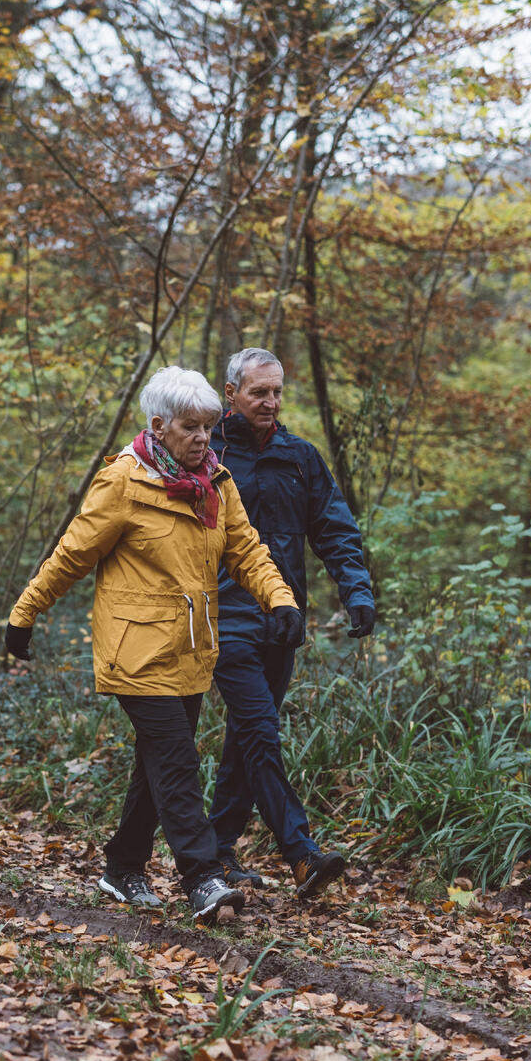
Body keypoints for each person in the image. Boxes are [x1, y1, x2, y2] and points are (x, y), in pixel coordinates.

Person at [4, 366, 303, 922]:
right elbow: (73, 554)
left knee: (156, 762)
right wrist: (25, 615)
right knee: (177, 760)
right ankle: (203, 878)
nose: (203, 439)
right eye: (191, 428)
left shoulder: (216, 482)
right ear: (159, 425)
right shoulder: (123, 481)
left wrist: (280, 601)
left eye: (209, 428)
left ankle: (122, 867)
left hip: (191, 649)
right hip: (134, 650)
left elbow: (248, 551)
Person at [209, 347, 375, 900]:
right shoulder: (204, 455)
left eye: (277, 392)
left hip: (283, 624)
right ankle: (301, 854)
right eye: (259, 392)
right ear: (231, 392)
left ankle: (218, 852)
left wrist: (356, 592)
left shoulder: (299, 457)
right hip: (224, 619)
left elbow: (334, 529)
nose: (270, 402)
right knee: (259, 730)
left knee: (245, 739)